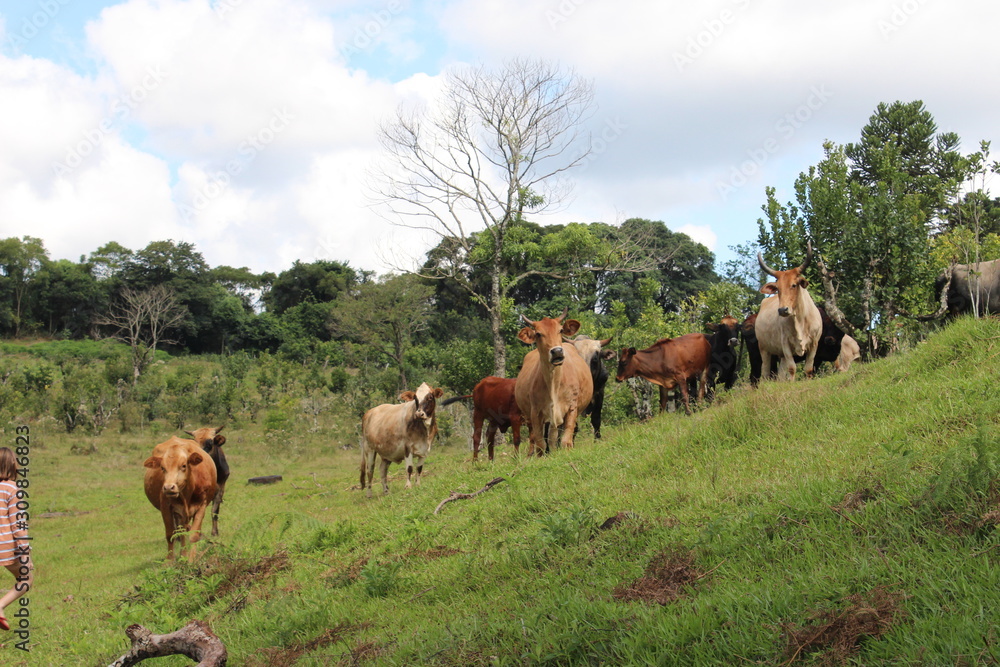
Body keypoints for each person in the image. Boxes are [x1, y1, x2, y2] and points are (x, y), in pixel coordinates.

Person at [0, 447, 32, 631]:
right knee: (26, 579)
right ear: (12, 465)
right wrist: (25, 551)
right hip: (5, 547)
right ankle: (1, 605)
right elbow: (18, 526)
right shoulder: (12, 489)